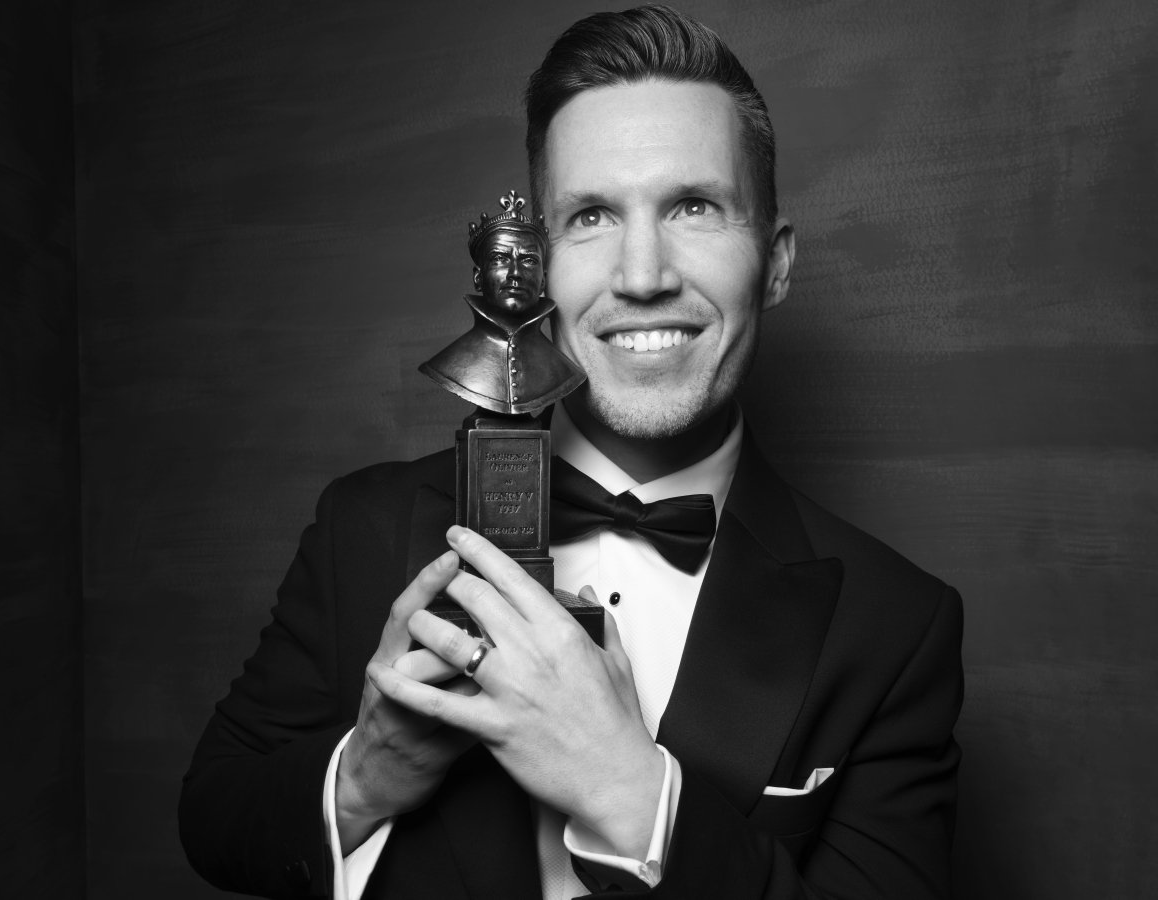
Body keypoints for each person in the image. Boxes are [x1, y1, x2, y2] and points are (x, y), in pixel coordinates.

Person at [179, 6, 963, 899]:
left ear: (775, 262)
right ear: (541, 265)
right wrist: (368, 772)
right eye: (592, 216)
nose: (641, 275)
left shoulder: (897, 625)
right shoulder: (361, 527)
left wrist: (636, 797)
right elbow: (215, 816)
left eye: (695, 207)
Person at [419, 189, 585, 416]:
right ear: (478, 277)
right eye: (500, 259)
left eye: (528, 260)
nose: (515, 273)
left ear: (543, 279)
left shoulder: (565, 372)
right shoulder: (447, 365)